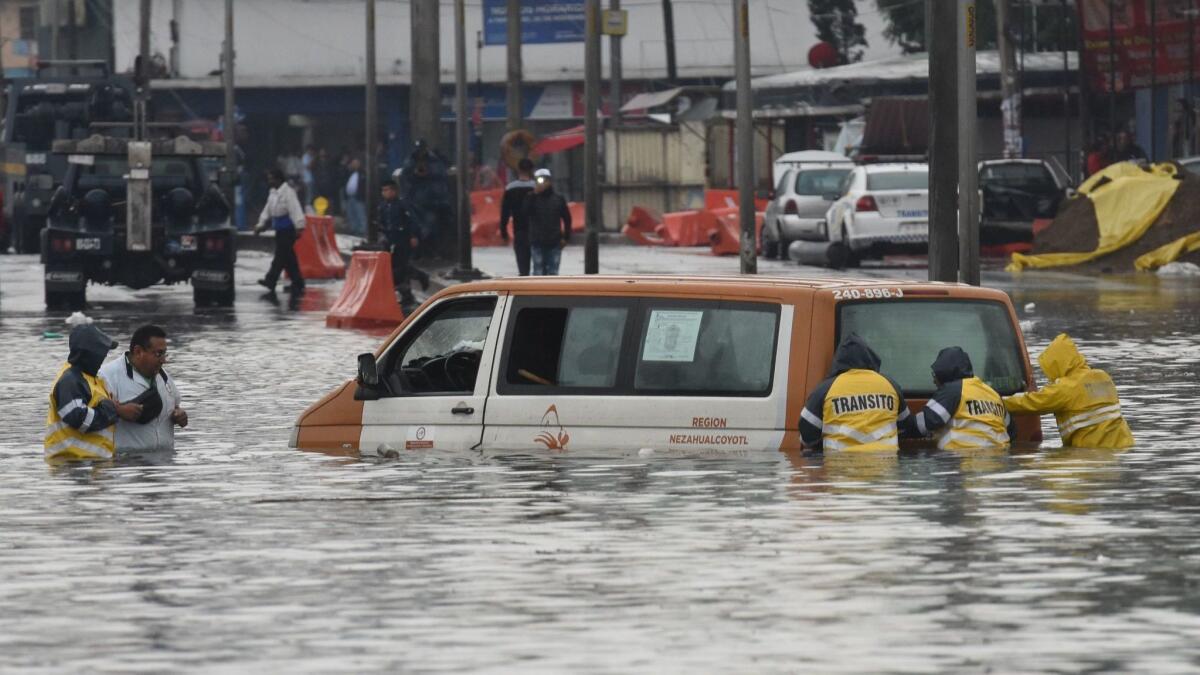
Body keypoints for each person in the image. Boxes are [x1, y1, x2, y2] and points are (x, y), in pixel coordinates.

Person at [1004, 333, 1134, 449]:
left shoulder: (1066, 387)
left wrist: (997, 401)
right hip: (1124, 446)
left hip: (1092, 451)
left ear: (1057, 364)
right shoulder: (1102, 376)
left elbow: (1032, 402)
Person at [45, 324, 142, 462]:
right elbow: (79, 419)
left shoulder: (95, 380)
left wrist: (118, 409)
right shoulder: (70, 380)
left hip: (94, 464)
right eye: (101, 352)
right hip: (71, 466)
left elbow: (103, 409)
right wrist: (115, 410)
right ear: (88, 354)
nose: (104, 357)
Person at [799, 333, 911, 452]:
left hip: (840, 466)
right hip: (886, 464)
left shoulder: (825, 389)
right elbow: (906, 426)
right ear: (869, 357)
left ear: (839, 360)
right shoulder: (890, 385)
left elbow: (807, 433)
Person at [98, 324, 187, 453]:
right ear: (138, 351)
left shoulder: (163, 376)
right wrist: (119, 411)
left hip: (165, 464)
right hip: (126, 465)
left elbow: (176, 405)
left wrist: (179, 415)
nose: (164, 360)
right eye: (158, 354)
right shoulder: (107, 376)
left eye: (165, 353)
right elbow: (92, 414)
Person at [903, 347, 1013, 450]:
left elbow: (927, 421)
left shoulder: (953, 390)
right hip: (999, 459)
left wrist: (899, 427)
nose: (934, 381)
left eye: (935, 375)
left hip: (963, 460)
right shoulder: (992, 394)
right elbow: (1011, 431)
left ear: (945, 374)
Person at [254, 167, 307, 295]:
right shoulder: (272, 193)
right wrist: (261, 224)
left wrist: (299, 226)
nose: (269, 181)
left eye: (271, 179)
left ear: (278, 179)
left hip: (288, 230)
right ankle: (298, 282)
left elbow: (295, 209)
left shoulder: (288, 192)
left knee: (280, 256)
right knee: (289, 258)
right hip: (279, 229)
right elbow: (267, 210)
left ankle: (270, 280)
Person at [378, 179, 430, 306]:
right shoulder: (383, 207)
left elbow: (412, 221)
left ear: (394, 191)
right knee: (397, 266)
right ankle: (417, 280)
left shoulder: (402, 205)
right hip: (390, 240)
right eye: (383, 190)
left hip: (403, 239)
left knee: (400, 267)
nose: (385, 193)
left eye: (388, 190)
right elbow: (382, 223)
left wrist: (413, 236)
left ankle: (407, 293)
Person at [522, 168, 571, 276]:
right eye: (539, 180)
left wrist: (566, 237)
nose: (542, 183)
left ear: (549, 181)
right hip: (537, 242)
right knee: (538, 271)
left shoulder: (558, 199)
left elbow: (567, 218)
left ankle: (552, 293)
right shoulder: (531, 197)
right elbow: (525, 213)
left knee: (553, 272)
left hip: (554, 242)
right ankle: (537, 293)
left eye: (545, 180)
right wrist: (534, 195)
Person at [499, 158, 537, 276]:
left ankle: (524, 285)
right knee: (538, 265)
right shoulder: (537, 188)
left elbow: (505, 212)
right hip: (537, 230)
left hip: (519, 230)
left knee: (522, 264)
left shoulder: (510, 188)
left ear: (518, 170)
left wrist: (504, 232)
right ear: (532, 170)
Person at [344, 157, 366, 236]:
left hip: (358, 197)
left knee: (360, 214)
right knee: (351, 214)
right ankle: (354, 229)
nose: (354, 165)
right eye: (353, 163)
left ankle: (362, 230)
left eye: (356, 163)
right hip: (350, 197)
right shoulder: (350, 173)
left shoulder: (363, 173)